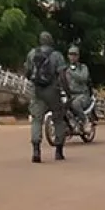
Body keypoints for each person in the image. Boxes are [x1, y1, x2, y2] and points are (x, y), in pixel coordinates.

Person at [24, 31, 67, 163]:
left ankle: (36, 150)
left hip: (37, 90)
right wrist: (66, 90)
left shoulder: (32, 54)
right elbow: (62, 75)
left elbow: (27, 72)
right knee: (58, 118)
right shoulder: (57, 56)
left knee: (37, 120)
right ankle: (58, 151)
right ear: (51, 41)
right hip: (52, 90)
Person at [64, 45, 92, 131]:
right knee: (59, 104)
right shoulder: (65, 69)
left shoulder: (83, 67)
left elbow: (83, 78)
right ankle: (67, 124)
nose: (72, 56)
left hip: (82, 95)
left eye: (74, 54)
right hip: (70, 95)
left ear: (78, 56)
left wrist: (71, 73)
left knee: (75, 104)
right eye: (70, 54)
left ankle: (85, 121)